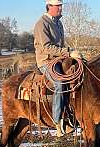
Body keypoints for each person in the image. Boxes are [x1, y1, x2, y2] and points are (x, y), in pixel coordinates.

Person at [34, 0, 81, 137]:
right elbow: (46, 47)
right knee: (60, 82)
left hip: (59, 59)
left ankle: (72, 116)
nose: (60, 8)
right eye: (58, 6)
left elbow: (60, 44)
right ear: (49, 6)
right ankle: (57, 121)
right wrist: (68, 52)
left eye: (61, 6)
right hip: (46, 61)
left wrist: (73, 54)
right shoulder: (41, 23)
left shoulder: (58, 23)